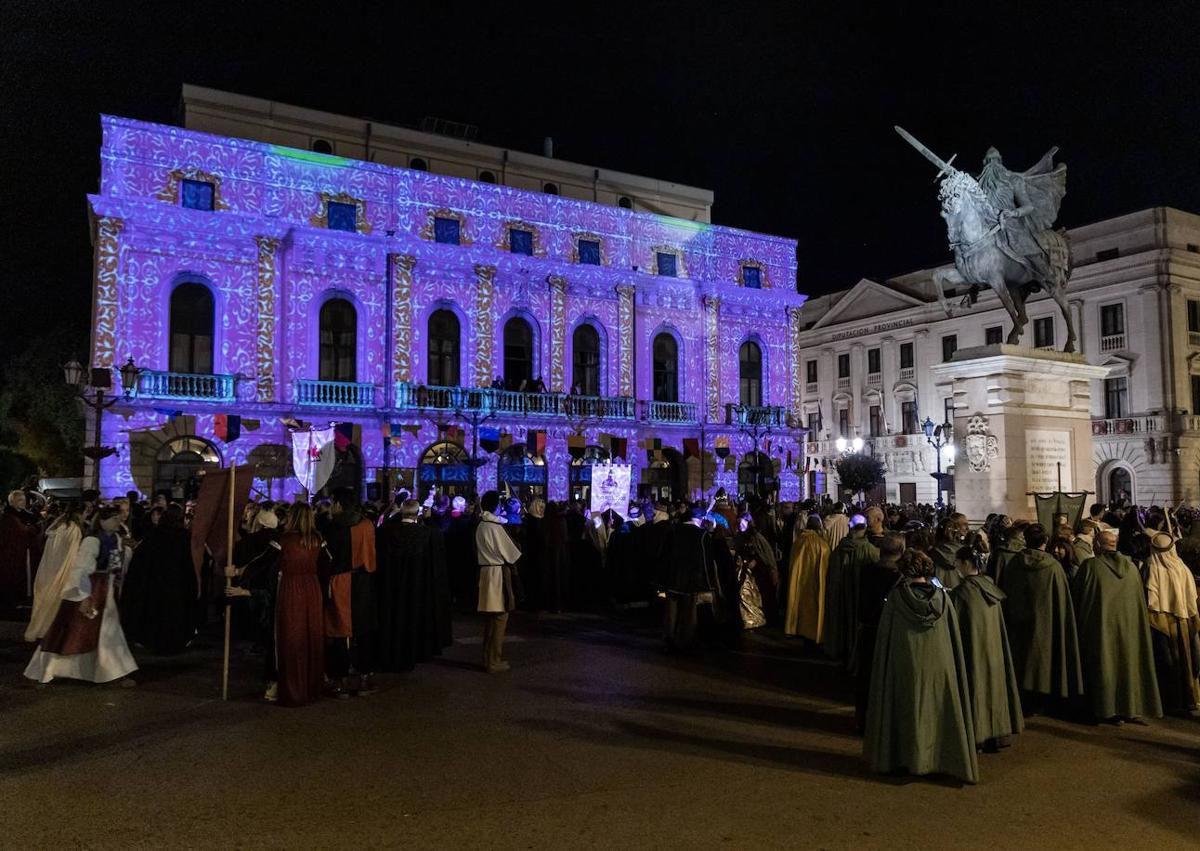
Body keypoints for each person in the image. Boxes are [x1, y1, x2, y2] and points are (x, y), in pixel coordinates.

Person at [863, 548, 978, 784]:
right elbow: (952, 635)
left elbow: (886, 636)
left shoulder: (896, 599)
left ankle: (905, 759)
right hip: (939, 664)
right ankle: (938, 759)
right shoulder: (943, 599)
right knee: (939, 710)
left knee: (906, 708)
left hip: (904, 662)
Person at [24, 504, 138, 686]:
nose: (119, 522)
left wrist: (116, 579)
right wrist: (84, 596)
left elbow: (115, 565)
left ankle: (111, 673)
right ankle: (52, 670)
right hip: (91, 588)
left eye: (119, 518)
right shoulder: (92, 541)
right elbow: (81, 569)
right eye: (115, 519)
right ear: (102, 521)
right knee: (73, 634)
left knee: (108, 633)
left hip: (106, 589)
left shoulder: (115, 538)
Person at [1071, 530, 1162, 723]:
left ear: (1097, 546)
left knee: (1105, 669)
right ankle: (1129, 708)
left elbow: (1077, 598)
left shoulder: (1090, 567)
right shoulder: (1131, 568)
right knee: (1127, 668)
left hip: (1100, 629)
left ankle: (1107, 709)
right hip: (1129, 629)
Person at [999, 523, 1083, 714]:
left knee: (1022, 658)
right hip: (1048, 622)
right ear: (1045, 541)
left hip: (1019, 620)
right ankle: (1044, 698)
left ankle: (1025, 699)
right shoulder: (1053, 567)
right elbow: (1062, 599)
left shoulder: (1014, 564)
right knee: (1047, 659)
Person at [953, 542, 1024, 749]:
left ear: (965, 563)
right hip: (993, 650)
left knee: (976, 689)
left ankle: (978, 735)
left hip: (973, 649)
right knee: (995, 689)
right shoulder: (990, 588)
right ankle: (997, 734)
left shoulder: (963, 592)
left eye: (957, 563)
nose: (956, 567)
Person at [376, 499, 452, 671]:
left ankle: (393, 652)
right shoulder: (426, 534)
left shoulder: (387, 533)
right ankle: (416, 650)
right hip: (419, 588)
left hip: (393, 588)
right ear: (418, 514)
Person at [321, 489, 378, 696]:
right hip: (362, 580)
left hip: (339, 581)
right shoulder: (366, 525)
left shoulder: (331, 527)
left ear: (339, 504)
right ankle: (365, 677)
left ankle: (341, 680)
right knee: (363, 630)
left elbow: (326, 558)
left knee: (339, 631)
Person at [120, 503, 197, 654]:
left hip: (155, 583)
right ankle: (174, 641)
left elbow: (141, 562)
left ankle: (154, 640)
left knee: (156, 612)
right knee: (174, 613)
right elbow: (188, 563)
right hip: (177, 583)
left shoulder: (154, 536)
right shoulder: (184, 537)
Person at [272, 503, 328, 707]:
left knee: (291, 636)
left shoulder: (284, 540)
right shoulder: (318, 540)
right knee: (310, 635)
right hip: (312, 588)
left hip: (291, 587)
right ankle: (312, 687)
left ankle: (293, 690)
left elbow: (269, 563)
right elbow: (326, 565)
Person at [1143, 530, 1200, 715]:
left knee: (1169, 662)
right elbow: (1191, 596)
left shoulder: (1152, 566)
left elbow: (1151, 596)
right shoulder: (1181, 566)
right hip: (1183, 619)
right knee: (1186, 660)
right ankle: (1190, 699)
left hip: (1162, 621)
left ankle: (1172, 701)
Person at [855, 532, 905, 731]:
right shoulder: (899, 578)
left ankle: (864, 719)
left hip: (868, 629)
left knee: (867, 676)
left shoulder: (867, 571)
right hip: (889, 631)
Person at [25, 504, 86, 642]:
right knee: (56, 602)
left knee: (45, 601)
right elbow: (72, 553)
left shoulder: (57, 528)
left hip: (48, 569)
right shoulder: (74, 530)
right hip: (62, 570)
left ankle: (42, 629)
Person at [663, 507, 722, 650]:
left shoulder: (673, 531)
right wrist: (710, 583)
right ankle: (686, 641)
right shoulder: (702, 535)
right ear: (701, 519)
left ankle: (669, 639)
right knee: (689, 612)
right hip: (691, 578)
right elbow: (705, 560)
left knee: (671, 610)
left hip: (673, 577)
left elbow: (664, 554)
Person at [824, 515, 879, 667]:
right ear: (865, 528)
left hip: (841, 596)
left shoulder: (838, 550)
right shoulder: (871, 551)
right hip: (861, 599)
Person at [476, 491, 521, 672]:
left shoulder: (481, 525)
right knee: (500, 617)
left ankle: (488, 657)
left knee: (489, 620)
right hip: (497, 574)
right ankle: (494, 660)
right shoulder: (495, 527)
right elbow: (511, 553)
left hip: (485, 572)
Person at [784, 514, 830, 642]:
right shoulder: (822, 545)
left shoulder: (799, 542)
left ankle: (796, 627)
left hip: (800, 583)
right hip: (815, 583)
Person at [1, 489, 41, 609]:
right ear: (12, 502)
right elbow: (22, 531)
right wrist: (32, 528)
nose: (23, 502)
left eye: (24, 500)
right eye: (19, 500)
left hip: (21, 552)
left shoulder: (24, 515)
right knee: (12, 577)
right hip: (11, 554)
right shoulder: (9, 517)